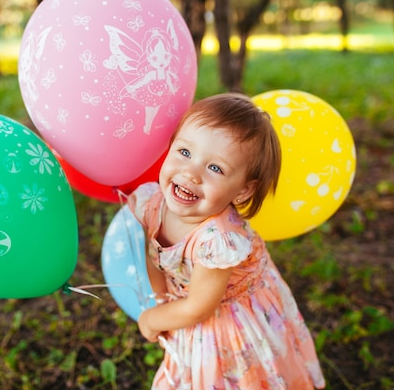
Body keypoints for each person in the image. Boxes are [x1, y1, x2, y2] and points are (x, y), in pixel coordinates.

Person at [126, 93, 326, 389]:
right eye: (184, 152)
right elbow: (150, 255)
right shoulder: (151, 203)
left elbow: (199, 307)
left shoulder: (216, 241)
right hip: (185, 303)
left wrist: (153, 320)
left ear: (243, 190)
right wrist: (160, 302)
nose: (191, 173)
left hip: (228, 320)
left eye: (215, 168)